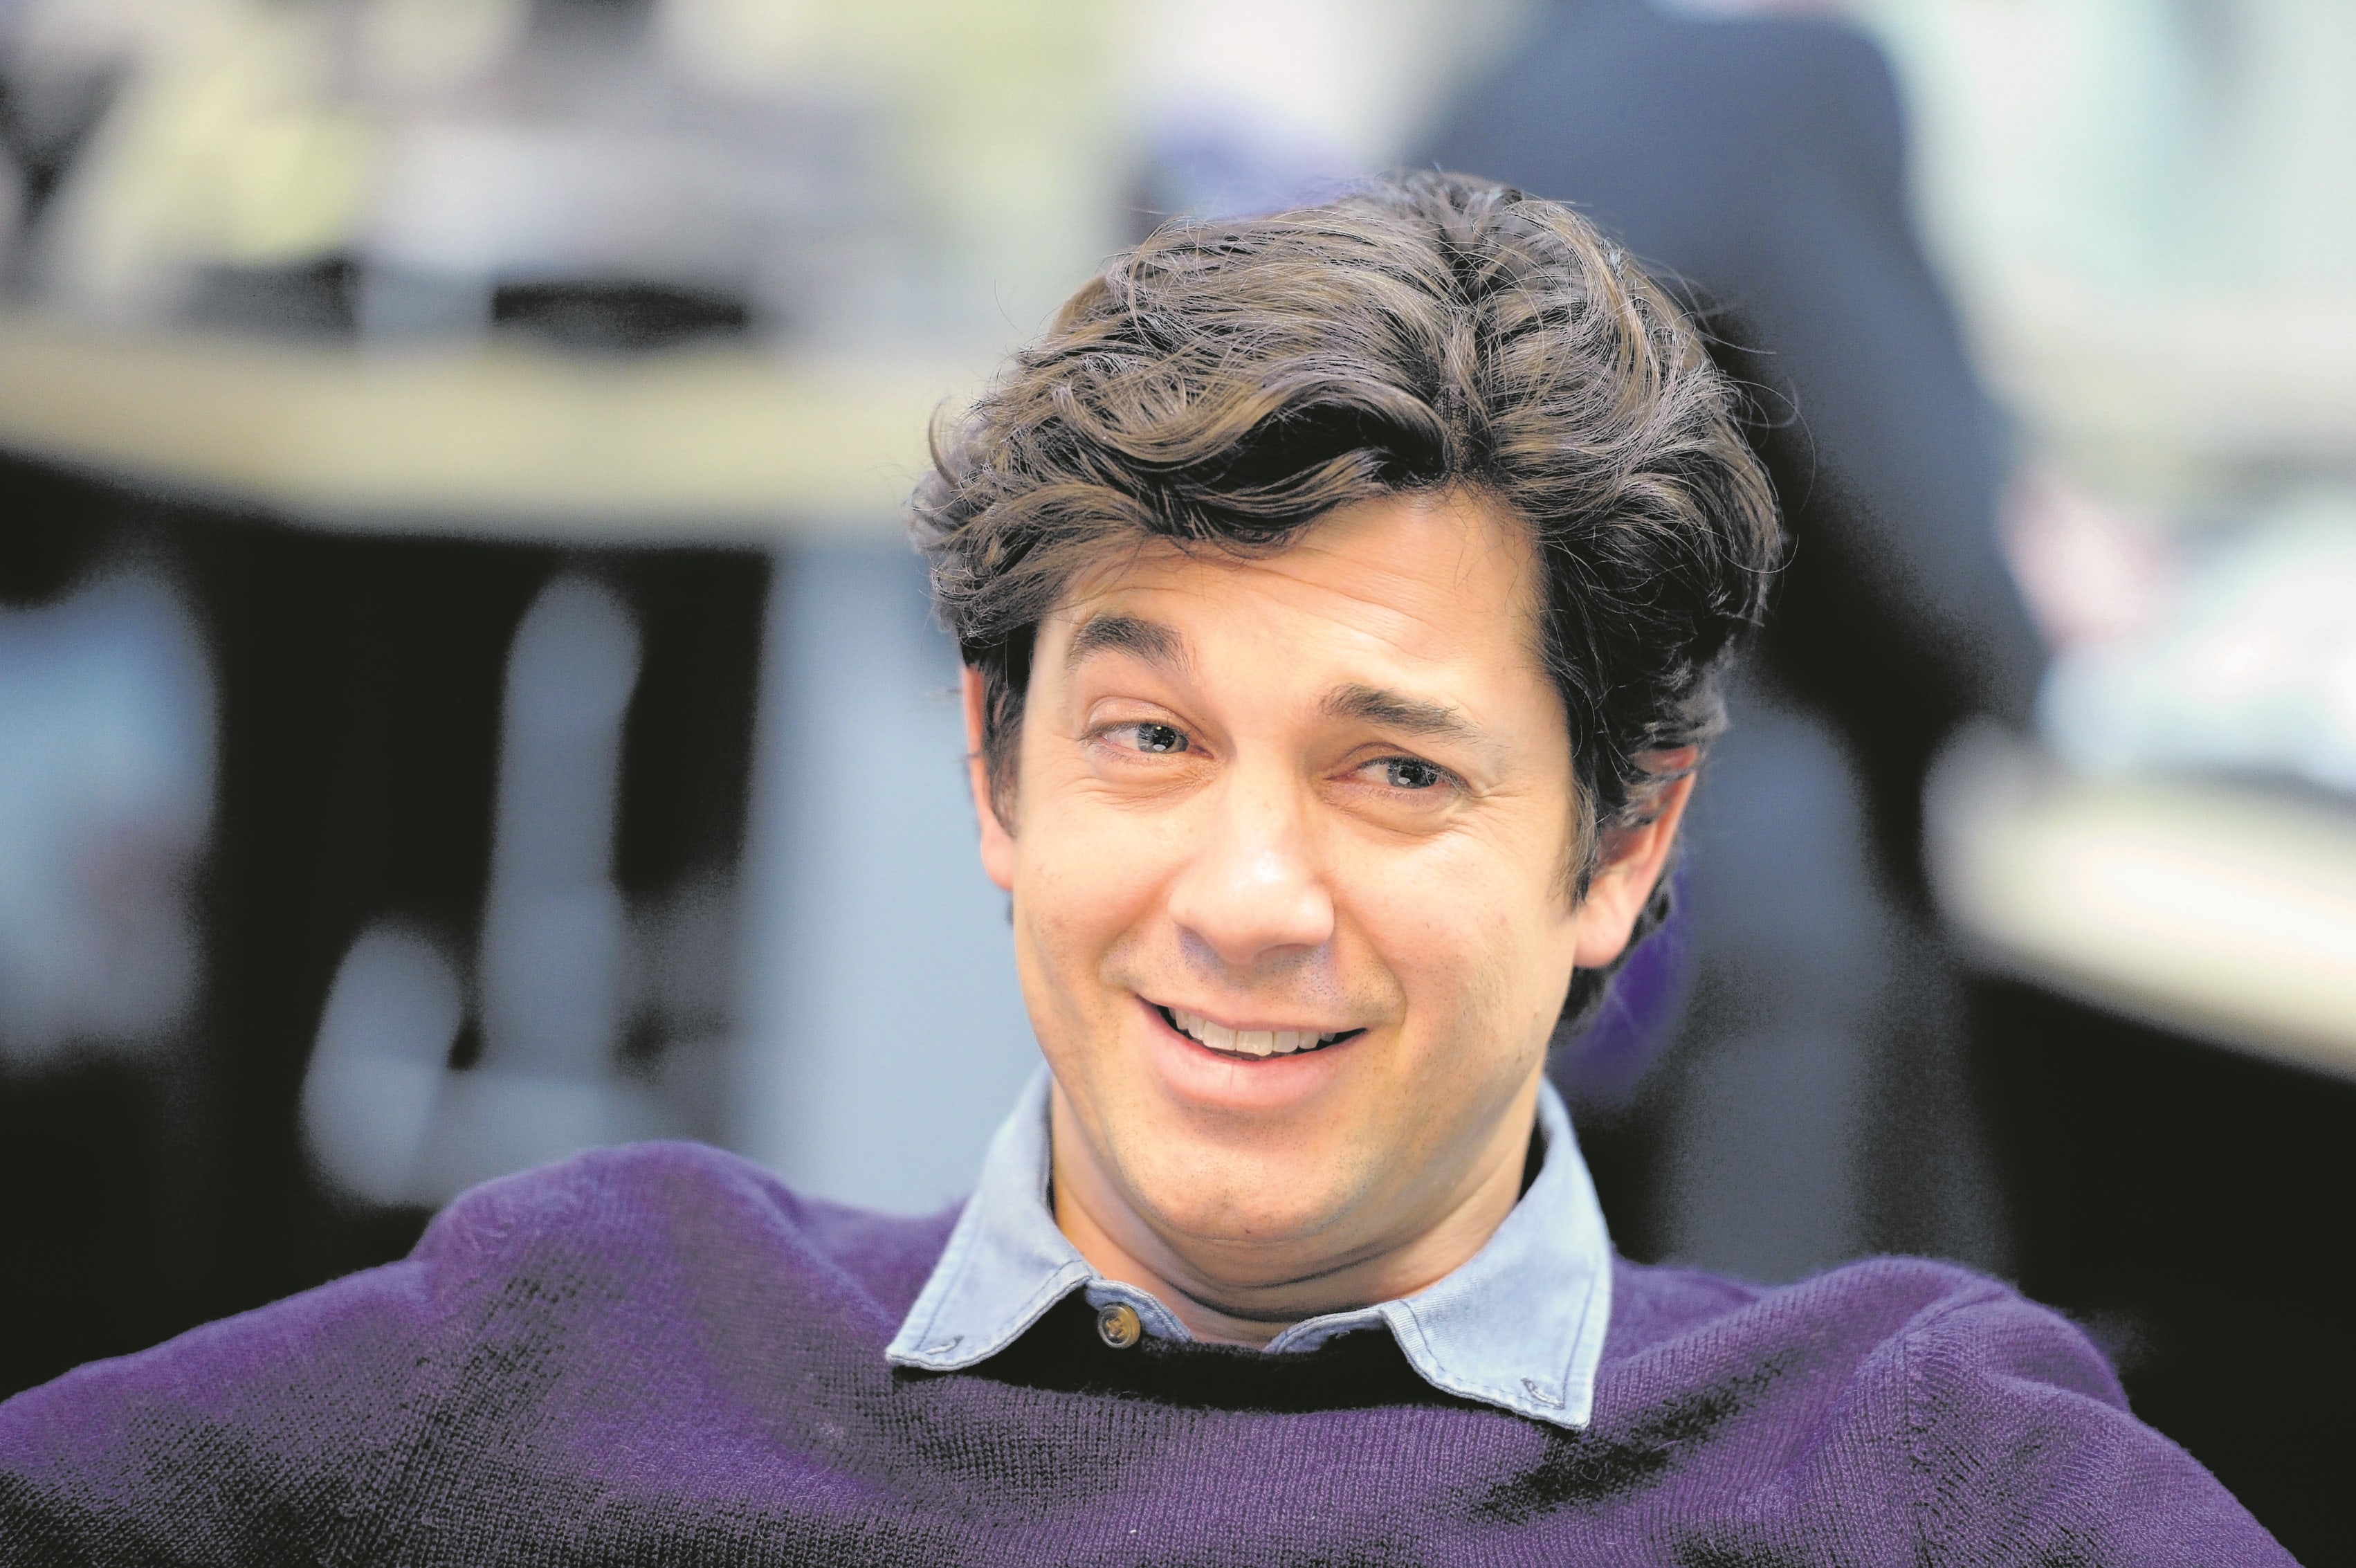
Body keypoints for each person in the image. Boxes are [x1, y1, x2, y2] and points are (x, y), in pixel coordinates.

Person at [0, 174, 2284, 1565]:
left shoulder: (1907, 1466)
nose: (1249, 892)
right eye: (1152, 739)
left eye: (1396, 770)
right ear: (997, 778)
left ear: (1620, 846)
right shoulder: (597, 1332)